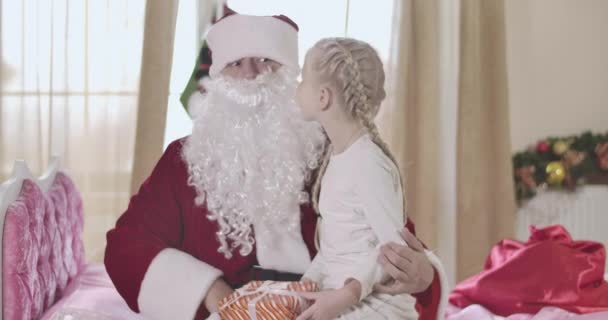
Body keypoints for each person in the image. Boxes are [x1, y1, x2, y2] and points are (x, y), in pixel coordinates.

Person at [104, 12, 437, 320]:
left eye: (266, 60)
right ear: (217, 78)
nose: (250, 74)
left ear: (293, 77)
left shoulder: (335, 152)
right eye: (235, 63)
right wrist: (211, 293)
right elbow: (126, 247)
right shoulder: (184, 160)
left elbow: (394, 241)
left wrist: (423, 275)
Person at [293, 38, 419, 320]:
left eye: (303, 79)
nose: (297, 88)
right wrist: (304, 285)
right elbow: (334, 250)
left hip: (373, 307)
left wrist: (346, 295)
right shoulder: (337, 158)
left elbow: (393, 250)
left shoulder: (367, 163)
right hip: (338, 296)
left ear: (323, 97)